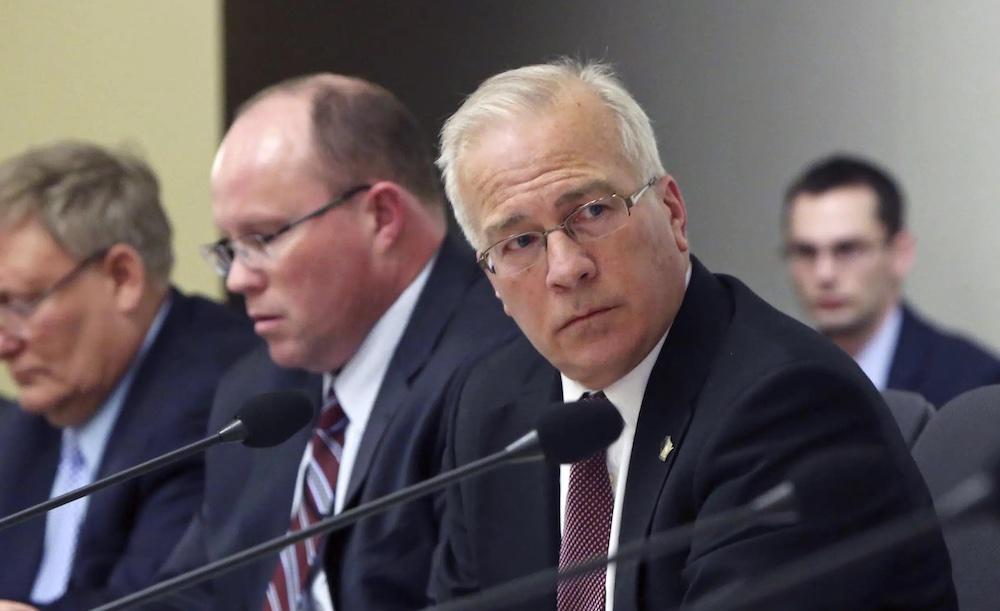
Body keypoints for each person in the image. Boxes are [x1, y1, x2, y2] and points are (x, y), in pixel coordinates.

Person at [430, 60, 956, 610]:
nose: (566, 268)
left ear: (673, 212)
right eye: (518, 243)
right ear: (492, 279)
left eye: (593, 211)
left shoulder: (788, 407)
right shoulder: (491, 408)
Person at [158, 74, 517, 611]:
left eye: (262, 238)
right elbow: (193, 597)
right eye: (229, 248)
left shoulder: (494, 371)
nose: (237, 279)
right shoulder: (256, 395)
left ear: (381, 217)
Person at [0, 141, 257, 610]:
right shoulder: (27, 422)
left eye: (21, 303)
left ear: (122, 277)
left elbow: (164, 604)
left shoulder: (227, 398)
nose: (4, 343)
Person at [783, 155, 1000, 406]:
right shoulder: (777, 381)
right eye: (805, 252)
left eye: (848, 249)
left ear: (900, 253)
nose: (824, 274)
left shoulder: (972, 382)